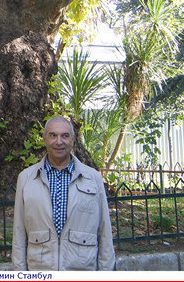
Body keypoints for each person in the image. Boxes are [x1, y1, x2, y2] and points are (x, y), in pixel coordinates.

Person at [12, 116, 115, 271]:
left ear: (73, 139)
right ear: (44, 139)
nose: (59, 142)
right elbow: (19, 233)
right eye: (53, 135)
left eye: (65, 136)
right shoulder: (26, 178)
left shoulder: (92, 178)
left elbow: (104, 232)